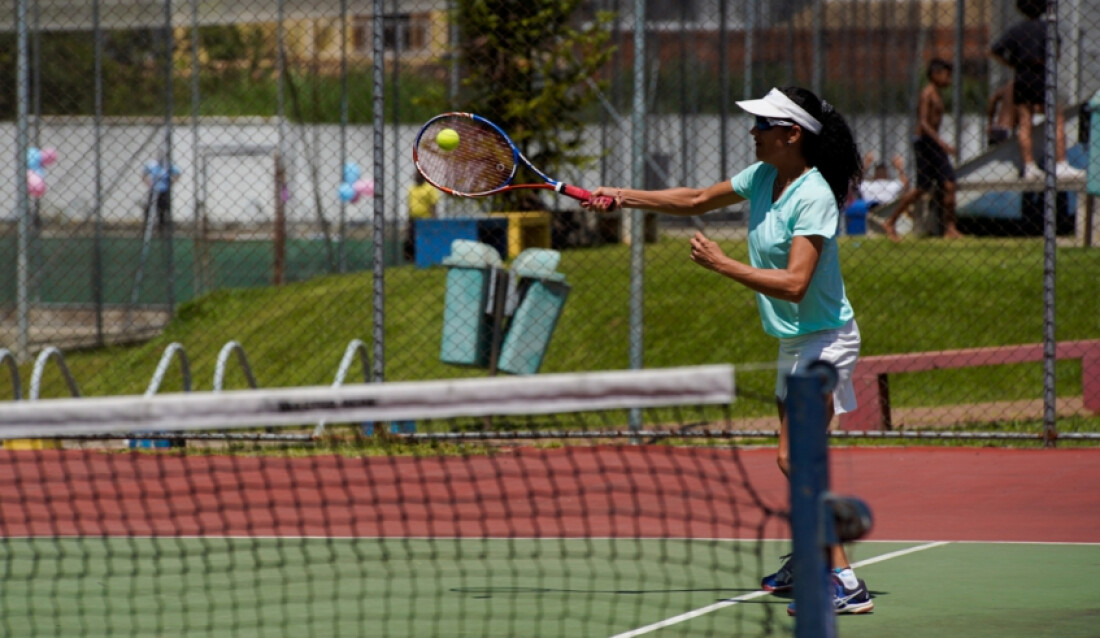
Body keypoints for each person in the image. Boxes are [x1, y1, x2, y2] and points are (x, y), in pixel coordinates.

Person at [584, 86, 873, 616]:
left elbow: (794, 284)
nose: (752, 131)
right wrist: (621, 195)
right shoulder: (765, 176)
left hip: (826, 340)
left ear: (792, 134)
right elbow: (695, 199)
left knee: (795, 458)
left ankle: (845, 582)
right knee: (796, 460)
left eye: (763, 124)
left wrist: (721, 264)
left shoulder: (814, 195)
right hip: (793, 340)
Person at [991, 0, 1085, 179]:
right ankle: (1061, 163)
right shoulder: (1047, 28)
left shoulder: (1016, 30)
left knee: (1025, 121)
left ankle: (1029, 166)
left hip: (1022, 76)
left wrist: (1013, 63)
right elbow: (1056, 54)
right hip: (1042, 76)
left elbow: (995, 50)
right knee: (1056, 118)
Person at [882, 58, 963, 242]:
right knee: (926, 186)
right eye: (945, 75)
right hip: (926, 143)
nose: (949, 79)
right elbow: (924, 123)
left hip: (930, 142)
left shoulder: (936, 93)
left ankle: (950, 228)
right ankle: (891, 221)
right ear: (934, 75)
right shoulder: (927, 94)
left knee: (942, 185)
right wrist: (942, 143)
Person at [405, 173, 439, 262]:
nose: (416, 177)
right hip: (413, 219)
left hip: (426, 220)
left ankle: (427, 260)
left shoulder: (429, 188)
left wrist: (434, 219)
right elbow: (409, 205)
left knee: (425, 240)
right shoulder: (411, 188)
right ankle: (412, 260)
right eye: (415, 175)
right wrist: (408, 220)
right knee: (410, 240)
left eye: (418, 175)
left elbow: (433, 205)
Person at [142, 159, 181, 235]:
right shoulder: (152, 165)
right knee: (149, 209)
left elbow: (177, 173)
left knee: (163, 211)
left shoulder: (168, 166)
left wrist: (172, 182)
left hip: (164, 191)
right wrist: (148, 183)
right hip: (154, 190)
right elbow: (144, 173)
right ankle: (146, 229)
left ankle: (161, 230)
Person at [986, 81, 1017, 148]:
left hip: (998, 128)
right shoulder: (1022, 87)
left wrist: (990, 122)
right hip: (1010, 129)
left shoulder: (1008, 87)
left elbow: (992, 99)